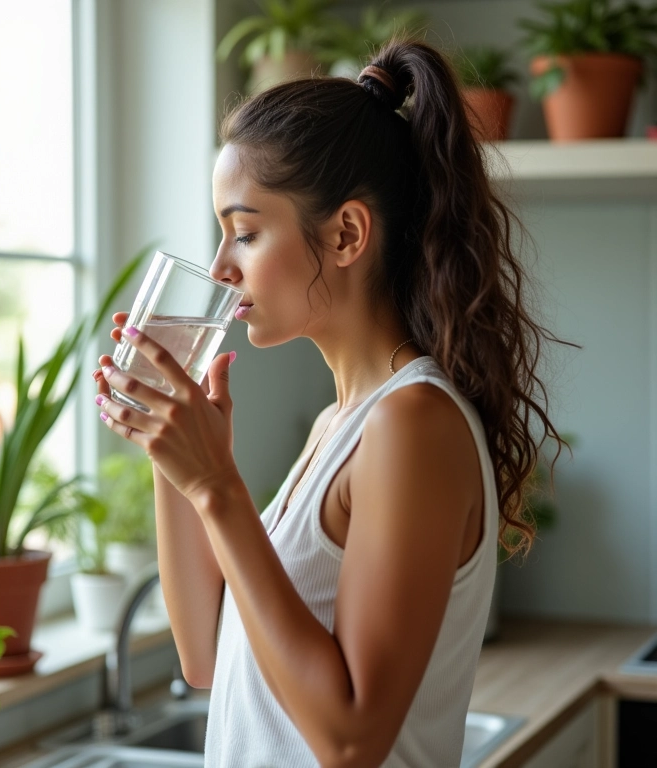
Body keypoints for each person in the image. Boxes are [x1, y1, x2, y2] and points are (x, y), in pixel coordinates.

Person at [92, 37, 569, 768]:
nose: (220, 267)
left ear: (346, 234)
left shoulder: (413, 423)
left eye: (245, 233)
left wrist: (218, 486)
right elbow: (208, 657)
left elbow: (352, 740)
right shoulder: (338, 423)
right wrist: (173, 449)